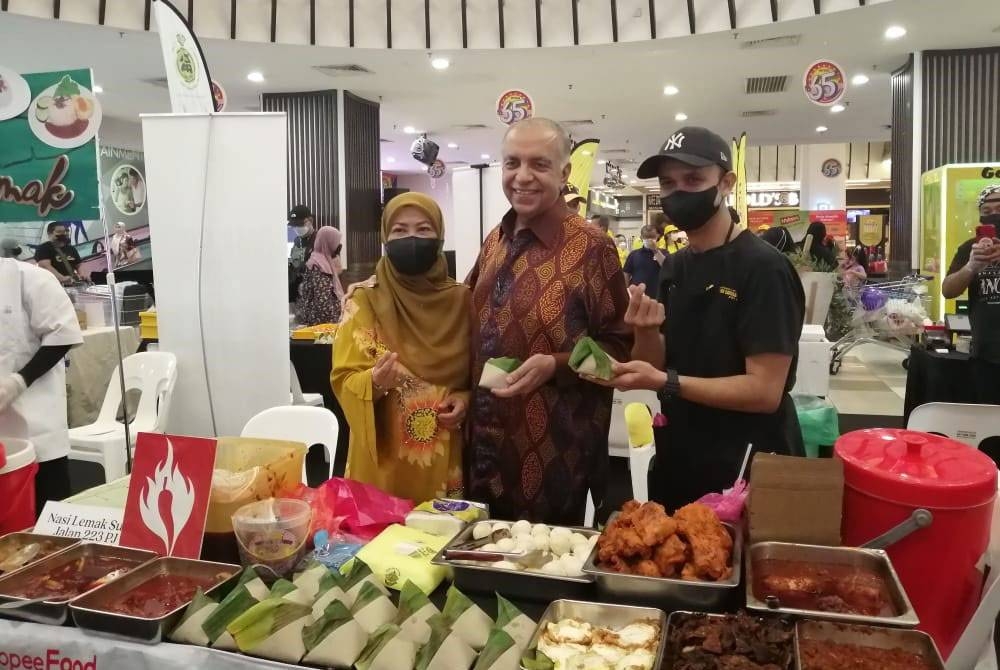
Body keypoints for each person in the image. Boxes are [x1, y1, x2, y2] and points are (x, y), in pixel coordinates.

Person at [597, 125, 805, 512]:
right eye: (668, 183)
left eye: (693, 179)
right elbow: (655, 362)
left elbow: (764, 392)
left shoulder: (764, 269)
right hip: (681, 454)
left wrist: (666, 382)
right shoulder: (675, 266)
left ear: (726, 183)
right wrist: (644, 331)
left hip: (748, 464)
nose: (678, 193)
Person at [466, 117, 632, 524]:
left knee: (541, 570)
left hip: (554, 457)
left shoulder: (592, 248)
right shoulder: (495, 239)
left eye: (538, 164)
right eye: (512, 163)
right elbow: (465, 309)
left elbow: (618, 350)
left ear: (564, 172)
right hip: (480, 449)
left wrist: (555, 364)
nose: (522, 177)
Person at [331, 193, 470, 501]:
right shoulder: (364, 300)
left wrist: (464, 399)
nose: (411, 238)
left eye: (423, 230)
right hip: (383, 461)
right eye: (399, 230)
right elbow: (343, 379)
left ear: (440, 236)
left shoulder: (463, 301)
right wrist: (375, 382)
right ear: (385, 237)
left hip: (441, 457)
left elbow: (475, 375)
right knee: (379, 542)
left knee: (440, 539)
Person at [0, 256, 84, 513]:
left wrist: (18, 381)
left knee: (47, 510)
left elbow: (63, 334)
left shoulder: (29, 278)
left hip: (36, 421)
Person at [942, 184, 1000, 404]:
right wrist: (970, 268)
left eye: (999, 209)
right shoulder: (970, 248)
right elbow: (948, 290)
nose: (994, 215)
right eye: (987, 211)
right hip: (985, 353)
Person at [295, 226, 345, 326]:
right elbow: (323, 301)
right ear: (328, 242)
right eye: (335, 242)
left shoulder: (322, 260)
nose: (337, 246)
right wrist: (336, 321)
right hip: (321, 326)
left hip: (321, 322)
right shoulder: (319, 266)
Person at [623, 225, 664, 298]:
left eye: (652, 237)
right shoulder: (634, 254)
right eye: (646, 237)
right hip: (637, 294)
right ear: (641, 238)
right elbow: (626, 274)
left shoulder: (664, 252)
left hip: (658, 294)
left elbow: (666, 266)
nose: (649, 240)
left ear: (657, 236)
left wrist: (655, 250)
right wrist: (626, 291)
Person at [288, 204, 317, 302]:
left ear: (311, 220)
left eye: (300, 224)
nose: (297, 228)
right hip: (297, 297)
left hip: (314, 296)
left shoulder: (321, 240)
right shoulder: (295, 242)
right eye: (294, 225)